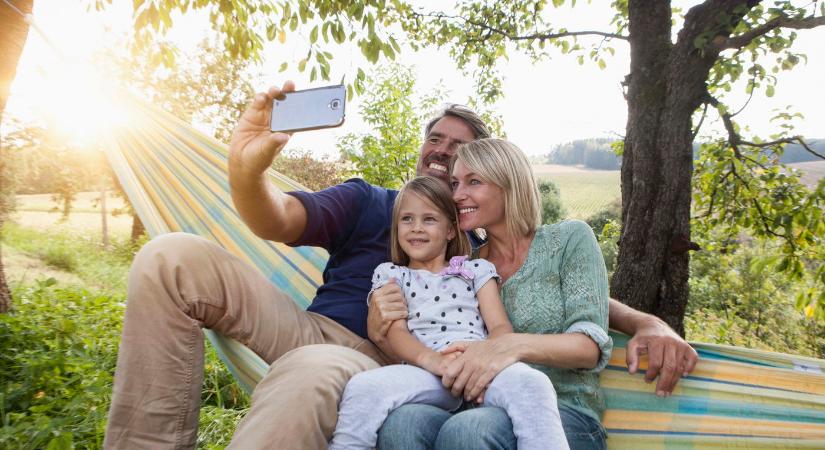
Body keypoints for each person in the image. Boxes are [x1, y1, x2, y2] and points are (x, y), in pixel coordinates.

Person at [104, 81, 697, 449]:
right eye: (434, 138)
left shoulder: (472, 241)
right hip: (313, 328)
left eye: (459, 150)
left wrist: (648, 322)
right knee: (169, 258)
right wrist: (245, 172)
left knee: (312, 370)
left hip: (377, 359)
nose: (441, 149)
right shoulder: (371, 201)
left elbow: (556, 284)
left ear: (479, 176)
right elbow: (276, 222)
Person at [371, 138, 612, 449]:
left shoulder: (568, 240)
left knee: (469, 431)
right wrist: (379, 326)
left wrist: (509, 346)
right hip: (478, 403)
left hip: (563, 411)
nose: (457, 195)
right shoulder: (465, 269)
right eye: (455, 183)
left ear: (508, 183)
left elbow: (589, 346)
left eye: (474, 182)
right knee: (402, 424)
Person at [330, 176, 572, 450]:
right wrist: (433, 361)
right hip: (427, 372)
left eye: (429, 219)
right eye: (406, 219)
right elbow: (395, 333)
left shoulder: (475, 271)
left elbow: (500, 328)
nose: (416, 228)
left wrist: (482, 361)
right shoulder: (391, 275)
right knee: (363, 388)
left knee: (533, 384)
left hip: (479, 366)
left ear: (450, 230)